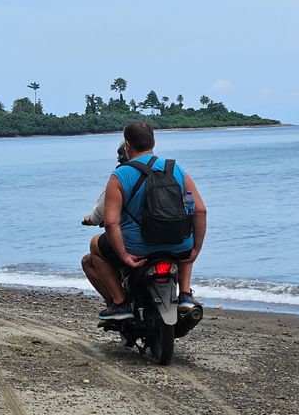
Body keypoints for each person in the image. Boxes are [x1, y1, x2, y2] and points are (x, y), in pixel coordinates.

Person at [81, 121, 207, 320]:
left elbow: (112, 222)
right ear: (154, 142)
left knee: (95, 245)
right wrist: (196, 248)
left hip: (137, 250)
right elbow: (199, 211)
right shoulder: (175, 169)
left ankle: (120, 304)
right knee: (185, 238)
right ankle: (184, 294)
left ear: (127, 145)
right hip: (178, 245)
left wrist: (123, 256)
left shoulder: (120, 175)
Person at [81, 142, 130, 226]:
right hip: (154, 228)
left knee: (95, 239)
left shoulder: (120, 175)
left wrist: (92, 219)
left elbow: (102, 208)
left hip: (131, 230)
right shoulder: (156, 167)